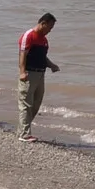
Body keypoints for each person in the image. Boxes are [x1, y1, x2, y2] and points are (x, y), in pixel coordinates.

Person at [17, 12, 58, 141]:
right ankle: (24, 134)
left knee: (36, 104)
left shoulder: (44, 40)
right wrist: (22, 72)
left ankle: (22, 130)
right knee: (26, 104)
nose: (50, 30)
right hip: (29, 74)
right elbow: (22, 54)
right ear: (43, 23)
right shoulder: (29, 35)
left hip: (40, 74)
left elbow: (42, 57)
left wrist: (52, 65)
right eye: (49, 27)